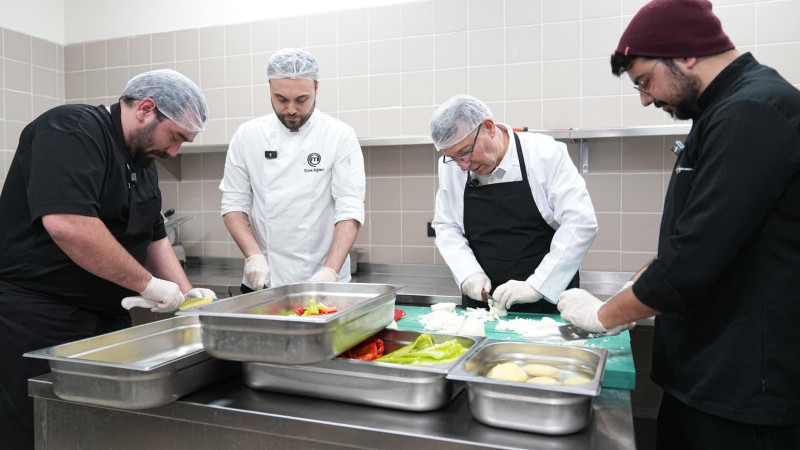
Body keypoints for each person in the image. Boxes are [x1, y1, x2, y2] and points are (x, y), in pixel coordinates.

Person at [557, 1, 800, 448]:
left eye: (644, 81)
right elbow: (695, 240)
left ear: (686, 53)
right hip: (702, 381)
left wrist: (602, 315)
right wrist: (635, 285)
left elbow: (693, 260)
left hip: (743, 394)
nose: (646, 98)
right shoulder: (720, 112)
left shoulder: (754, 111)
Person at [0, 69, 216, 449]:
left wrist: (188, 297)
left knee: (95, 429)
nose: (174, 152)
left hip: (104, 322)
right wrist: (149, 285)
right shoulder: (70, 130)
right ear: (146, 109)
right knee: (35, 427)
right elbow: (69, 225)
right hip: (38, 319)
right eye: (176, 137)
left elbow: (154, 236)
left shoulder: (143, 164)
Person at [430, 94, 597, 315]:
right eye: (453, 157)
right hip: (482, 305)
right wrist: (468, 274)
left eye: (465, 152)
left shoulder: (544, 153)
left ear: (489, 127)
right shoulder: (452, 167)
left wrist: (537, 286)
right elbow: (447, 226)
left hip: (547, 299)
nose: (462, 165)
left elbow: (580, 222)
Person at [220, 48, 365, 291]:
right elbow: (234, 203)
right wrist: (253, 256)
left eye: (301, 100)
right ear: (269, 86)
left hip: (323, 281)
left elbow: (349, 207)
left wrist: (331, 270)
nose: (291, 109)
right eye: (281, 99)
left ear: (316, 88)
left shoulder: (339, 135)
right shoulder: (248, 135)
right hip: (263, 282)